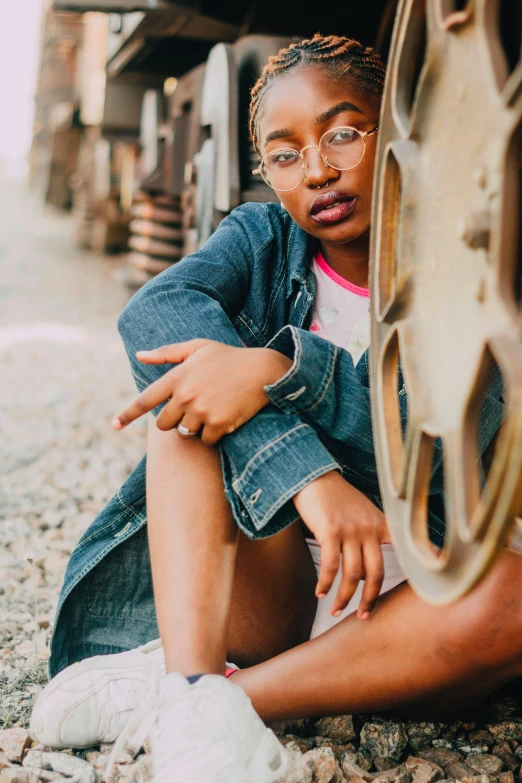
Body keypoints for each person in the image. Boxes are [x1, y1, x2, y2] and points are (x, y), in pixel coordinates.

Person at [30, 33, 515, 783]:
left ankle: (196, 702)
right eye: (286, 154)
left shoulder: (467, 254)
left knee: (513, 598)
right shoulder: (261, 239)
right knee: (188, 402)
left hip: (417, 597)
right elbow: (154, 316)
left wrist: (278, 367)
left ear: (399, 130)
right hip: (274, 581)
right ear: (265, 171)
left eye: (344, 133)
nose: (318, 169)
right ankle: (198, 686)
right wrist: (310, 478)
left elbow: (445, 427)